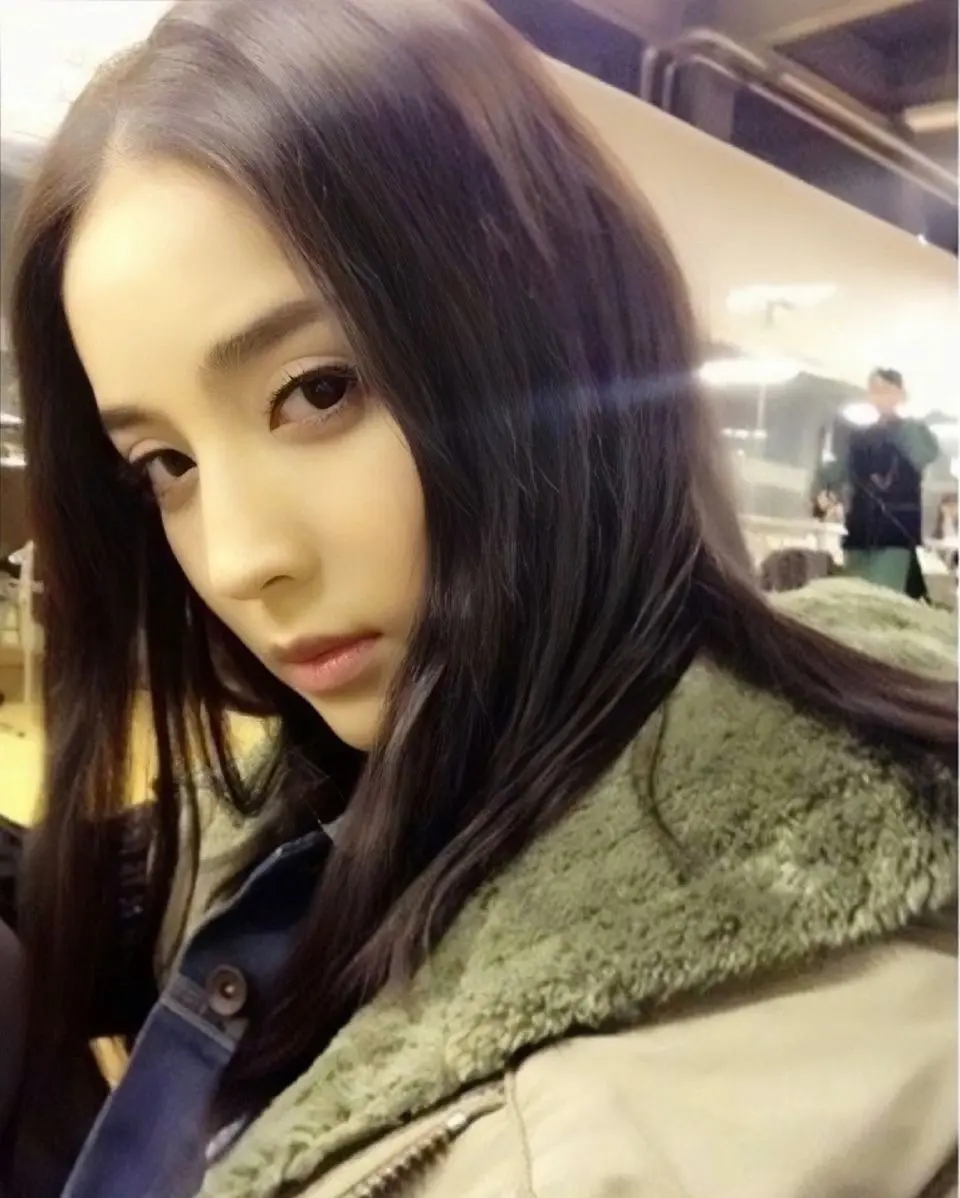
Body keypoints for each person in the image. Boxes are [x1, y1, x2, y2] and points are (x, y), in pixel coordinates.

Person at [3, 2, 956, 1195]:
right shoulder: (451, 745)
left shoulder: (602, 1137)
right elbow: (234, 844)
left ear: (551, 337)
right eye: (165, 464)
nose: (238, 560)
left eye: (318, 390)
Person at [818, 369, 940, 598]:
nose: (880, 396)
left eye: (886, 390)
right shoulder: (859, 437)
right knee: (856, 595)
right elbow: (840, 470)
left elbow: (924, 455)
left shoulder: (914, 432)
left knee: (885, 595)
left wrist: (896, 424)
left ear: (900, 394)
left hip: (895, 530)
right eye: (875, 390)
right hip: (860, 529)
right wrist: (825, 489)